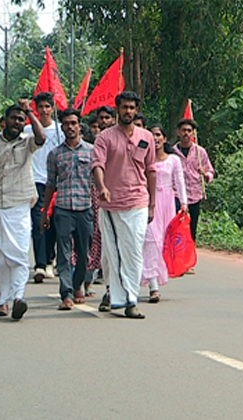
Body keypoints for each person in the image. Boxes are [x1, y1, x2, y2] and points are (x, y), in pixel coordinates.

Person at [0, 100, 46, 320]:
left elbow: (42, 138)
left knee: (19, 254)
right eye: (13, 118)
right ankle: (1, 301)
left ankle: (18, 298)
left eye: (21, 120)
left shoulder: (28, 143)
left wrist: (30, 112)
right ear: (4, 121)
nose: (17, 122)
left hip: (21, 205)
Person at [92, 91, 156, 319]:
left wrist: (152, 204)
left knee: (134, 251)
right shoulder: (105, 138)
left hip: (138, 201)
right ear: (117, 109)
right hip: (111, 204)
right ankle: (121, 299)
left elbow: (151, 170)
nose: (128, 111)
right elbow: (97, 164)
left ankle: (131, 299)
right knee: (114, 252)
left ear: (136, 110)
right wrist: (102, 187)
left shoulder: (146, 137)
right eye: (124, 107)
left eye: (132, 107)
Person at [40, 108, 94, 311]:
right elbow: (50, 184)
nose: (70, 127)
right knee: (63, 253)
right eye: (67, 124)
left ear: (80, 126)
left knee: (84, 253)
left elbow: (98, 181)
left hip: (85, 208)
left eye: (74, 123)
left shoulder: (91, 151)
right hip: (62, 209)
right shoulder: (54, 154)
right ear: (62, 127)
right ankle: (67, 293)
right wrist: (45, 212)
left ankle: (78, 283)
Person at [141, 124, 187, 303]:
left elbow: (179, 182)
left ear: (165, 138)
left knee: (163, 244)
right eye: (152, 135)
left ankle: (159, 278)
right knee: (151, 241)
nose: (156, 138)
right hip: (149, 203)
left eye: (159, 135)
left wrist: (184, 204)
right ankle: (153, 287)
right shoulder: (145, 158)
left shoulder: (173, 160)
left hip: (168, 204)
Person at [26, 92, 64, 283]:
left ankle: (50, 259)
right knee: (39, 222)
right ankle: (40, 264)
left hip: (57, 183)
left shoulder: (60, 131)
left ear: (52, 108)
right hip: (36, 182)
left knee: (56, 225)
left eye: (47, 106)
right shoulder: (28, 129)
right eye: (40, 107)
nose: (44, 110)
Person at [172, 118, 214, 270]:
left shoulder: (200, 152)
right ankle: (176, 260)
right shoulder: (172, 152)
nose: (186, 133)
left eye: (189, 131)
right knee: (177, 228)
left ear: (193, 133)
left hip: (195, 195)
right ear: (178, 132)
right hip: (176, 195)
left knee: (191, 229)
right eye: (183, 130)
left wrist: (206, 174)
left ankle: (188, 262)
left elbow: (210, 172)